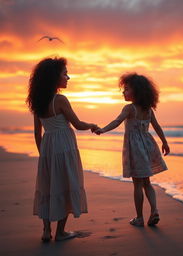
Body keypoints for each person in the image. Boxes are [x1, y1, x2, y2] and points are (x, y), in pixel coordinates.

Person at [26, 57, 98, 242]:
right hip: (64, 147)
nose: (68, 77)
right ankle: (60, 232)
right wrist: (92, 125)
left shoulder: (38, 101)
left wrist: (43, 154)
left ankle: (46, 231)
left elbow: (37, 133)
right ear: (54, 78)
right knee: (66, 184)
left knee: (48, 186)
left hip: (48, 147)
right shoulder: (60, 100)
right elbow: (78, 124)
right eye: (65, 74)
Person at [94, 73, 170, 227]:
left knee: (137, 184)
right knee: (147, 182)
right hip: (148, 147)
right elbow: (157, 127)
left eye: (126, 89)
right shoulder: (148, 109)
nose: (123, 92)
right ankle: (154, 210)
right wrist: (164, 142)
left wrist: (102, 130)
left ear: (136, 91)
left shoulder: (130, 109)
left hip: (136, 149)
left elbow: (116, 122)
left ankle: (140, 217)